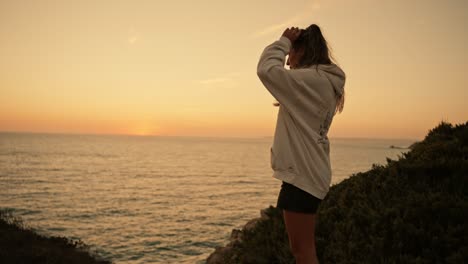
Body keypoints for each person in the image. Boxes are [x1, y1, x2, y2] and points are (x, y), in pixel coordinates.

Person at [256, 24, 346, 264]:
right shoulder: (322, 81)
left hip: (302, 177)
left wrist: (283, 41)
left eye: (291, 54)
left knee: (303, 252)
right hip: (307, 172)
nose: (287, 62)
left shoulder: (312, 80)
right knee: (303, 251)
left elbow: (266, 70)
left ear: (303, 50)